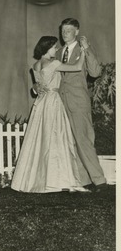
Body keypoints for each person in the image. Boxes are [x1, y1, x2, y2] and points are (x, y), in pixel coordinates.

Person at [11, 36, 90, 193]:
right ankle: (64, 180)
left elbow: (37, 86)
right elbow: (77, 66)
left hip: (41, 104)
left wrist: (35, 87)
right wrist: (83, 49)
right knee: (58, 138)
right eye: (54, 47)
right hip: (53, 101)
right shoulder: (54, 63)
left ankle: (40, 180)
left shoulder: (35, 65)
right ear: (47, 48)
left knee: (41, 141)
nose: (56, 49)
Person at [55, 18, 107, 192]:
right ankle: (83, 181)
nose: (65, 33)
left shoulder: (82, 49)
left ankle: (99, 181)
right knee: (71, 142)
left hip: (78, 101)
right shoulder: (57, 52)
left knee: (84, 140)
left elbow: (95, 72)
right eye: (63, 30)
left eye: (69, 30)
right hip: (60, 102)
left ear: (77, 32)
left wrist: (87, 48)